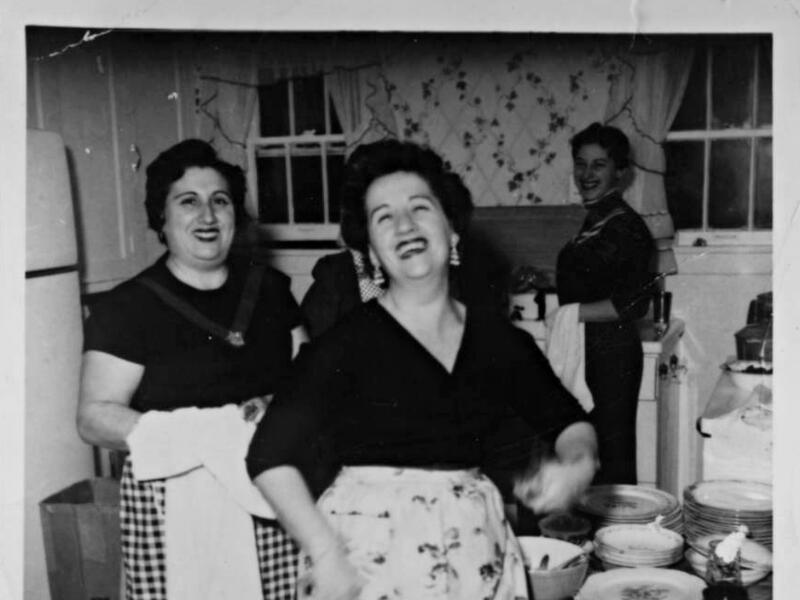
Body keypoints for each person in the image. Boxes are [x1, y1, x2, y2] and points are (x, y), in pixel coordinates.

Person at [246, 139, 598, 600]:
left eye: (419, 207)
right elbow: (268, 457)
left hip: (475, 551)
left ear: (452, 230)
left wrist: (577, 464)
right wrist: (325, 552)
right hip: (369, 560)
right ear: (372, 252)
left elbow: (569, 421)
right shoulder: (344, 344)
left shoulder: (499, 340)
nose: (404, 225)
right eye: (383, 217)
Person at [76, 139, 306, 600]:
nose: (207, 215)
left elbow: (310, 383)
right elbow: (94, 417)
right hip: (172, 501)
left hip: (273, 494)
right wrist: (209, 432)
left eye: (220, 201)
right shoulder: (128, 306)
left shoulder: (271, 290)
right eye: (188, 201)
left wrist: (279, 406)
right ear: (160, 218)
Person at [556, 122, 656, 485]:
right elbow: (595, 281)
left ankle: (613, 540)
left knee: (609, 461)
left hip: (611, 355)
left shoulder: (626, 226)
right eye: (581, 164)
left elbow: (634, 303)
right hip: (590, 349)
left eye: (599, 165)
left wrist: (571, 313)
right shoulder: (597, 220)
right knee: (587, 456)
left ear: (621, 172)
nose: (586, 174)